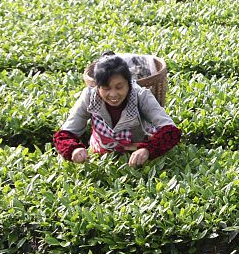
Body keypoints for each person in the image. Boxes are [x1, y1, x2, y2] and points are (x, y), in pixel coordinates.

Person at [53, 54, 181, 168]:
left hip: (137, 156)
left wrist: (148, 150)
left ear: (128, 84)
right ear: (98, 86)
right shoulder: (89, 96)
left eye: (119, 87)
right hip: (101, 155)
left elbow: (170, 130)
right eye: (106, 88)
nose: (113, 94)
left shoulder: (141, 95)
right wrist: (74, 150)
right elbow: (65, 133)